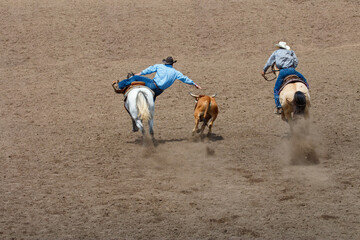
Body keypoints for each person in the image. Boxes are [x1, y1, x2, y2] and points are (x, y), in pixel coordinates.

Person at [114, 56, 202, 100]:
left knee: (135, 77)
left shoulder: (160, 66)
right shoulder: (176, 72)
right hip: (159, 91)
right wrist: (194, 84)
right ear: (172, 64)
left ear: (165, 63)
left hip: (153, 85)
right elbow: (185, 79)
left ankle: (119, 86)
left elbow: (148, 70)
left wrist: (139, 74)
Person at [261, 41, 308, 115]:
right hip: (292, 70)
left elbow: (269, 62)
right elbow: (296, 61)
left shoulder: (276, 52)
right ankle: (307, 92)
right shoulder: (291, 52)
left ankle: (279, 106)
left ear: (279, 47)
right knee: (304, 81)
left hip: (282, 72)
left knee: (276, 89)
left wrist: (264, 70)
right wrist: (292, 67)